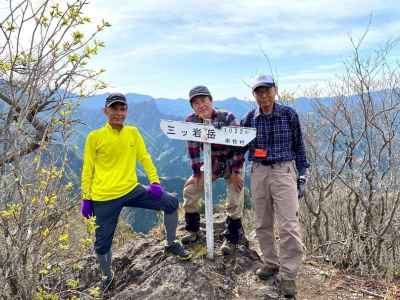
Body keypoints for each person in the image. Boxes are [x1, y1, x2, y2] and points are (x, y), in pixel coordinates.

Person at [80, 93, 190, 293]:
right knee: (102, 244)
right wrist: (86, 198)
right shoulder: (94, 137)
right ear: (105, 111)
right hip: (104, 196)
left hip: (132, 189)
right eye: (114, 109)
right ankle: (107, 276)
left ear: (126, 111)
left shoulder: (133, 133)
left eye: (122, 109)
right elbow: (88, 169)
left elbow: (145, 157)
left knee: (171, 203)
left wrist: (154, 181)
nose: (118, 113)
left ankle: (171, 242)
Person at [241, 75, 309, 297]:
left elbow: (299, 145)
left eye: (267, 90)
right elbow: (235, 143)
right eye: (258, 92)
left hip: (283, 171)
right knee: (262, 222)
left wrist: (302, 176)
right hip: (259, 171)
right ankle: (270, 263)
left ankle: (289, 275)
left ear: (275, 90)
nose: (263, 95)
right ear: (254, 95)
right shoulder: (250, 118)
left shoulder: (288, 115)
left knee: (288, 224)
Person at [181, 85, 245, 255]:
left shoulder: (227, 117)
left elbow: (240, 146)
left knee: (234, 199)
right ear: (192, 107)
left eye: (203, 100)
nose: (200, 105)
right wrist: (196, 174)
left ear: (211, 100)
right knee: (190, 191)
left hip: (233, 162)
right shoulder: (191, 122)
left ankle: (231, 239)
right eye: (195, 103)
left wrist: (236, 172)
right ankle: (193, 231)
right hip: (212, 162)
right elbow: (193, 149)